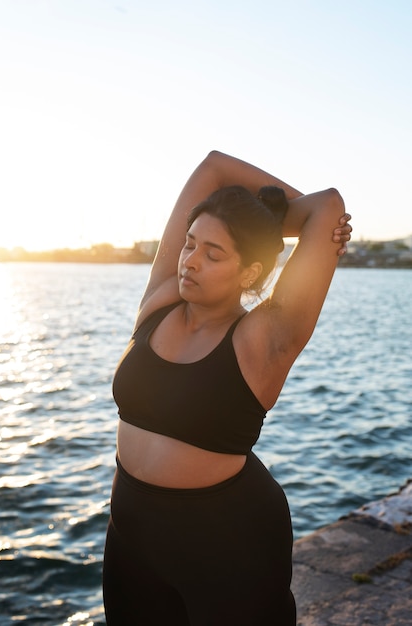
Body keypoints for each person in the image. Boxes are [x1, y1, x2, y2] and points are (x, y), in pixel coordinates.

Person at [103, 150, 352, 625]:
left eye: (213, 253)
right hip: (131, 537)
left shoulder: (266, 338)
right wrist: (263, 217)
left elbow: (328, 207)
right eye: (190, 244)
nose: (191, 260)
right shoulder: (160, 300)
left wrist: (275, 221)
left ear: (252, 272)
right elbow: (214, 166)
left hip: (227, 544)